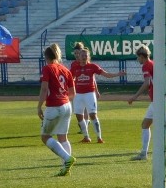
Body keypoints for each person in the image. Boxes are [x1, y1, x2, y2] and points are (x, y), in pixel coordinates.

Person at [127, 44, 166, 162]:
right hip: (158, 99)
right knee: (145, 124)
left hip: (158, 100)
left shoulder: (146, 66)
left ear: (141, 56)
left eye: (138, 57)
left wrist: (134, 96)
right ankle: (143, 154)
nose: (137, 60)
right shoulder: (153, 64)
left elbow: (147, 83)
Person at [38, 43, 76, 176]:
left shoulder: (48, 68)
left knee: (45, 136)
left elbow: (44, 89)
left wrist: (39, 106)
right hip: (67, 105)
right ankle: (66, 168)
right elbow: (72, 93)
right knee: (63, 137)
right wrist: (63, 97)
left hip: (54, 105)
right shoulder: (66, 70)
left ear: (46, 57)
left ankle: (67, 159)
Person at [71, 48, 125, 143]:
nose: (84, 57)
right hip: (78, 94)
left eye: (85, 55)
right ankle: (86, 137)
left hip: (89, 94)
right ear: (78, 56)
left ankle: (99, 137)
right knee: (79, 116)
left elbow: (105, 74)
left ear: (88, 57)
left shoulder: (92, 66)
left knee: (92, 115)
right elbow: (70, 79)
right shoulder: (74, 67)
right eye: (82, 55)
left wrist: (118, 74)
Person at [70, 41, 90, 135]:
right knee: (78, 109)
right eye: (75, 53)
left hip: (87, 89)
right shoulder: (73, 64)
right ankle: (84, 124)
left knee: (85, 108)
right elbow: (71, 77)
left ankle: (85, 126)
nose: (77, 55)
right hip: (76, 89)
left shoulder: (87, 63)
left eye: (78, 53)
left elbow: (92, 77)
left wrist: (96, 91)